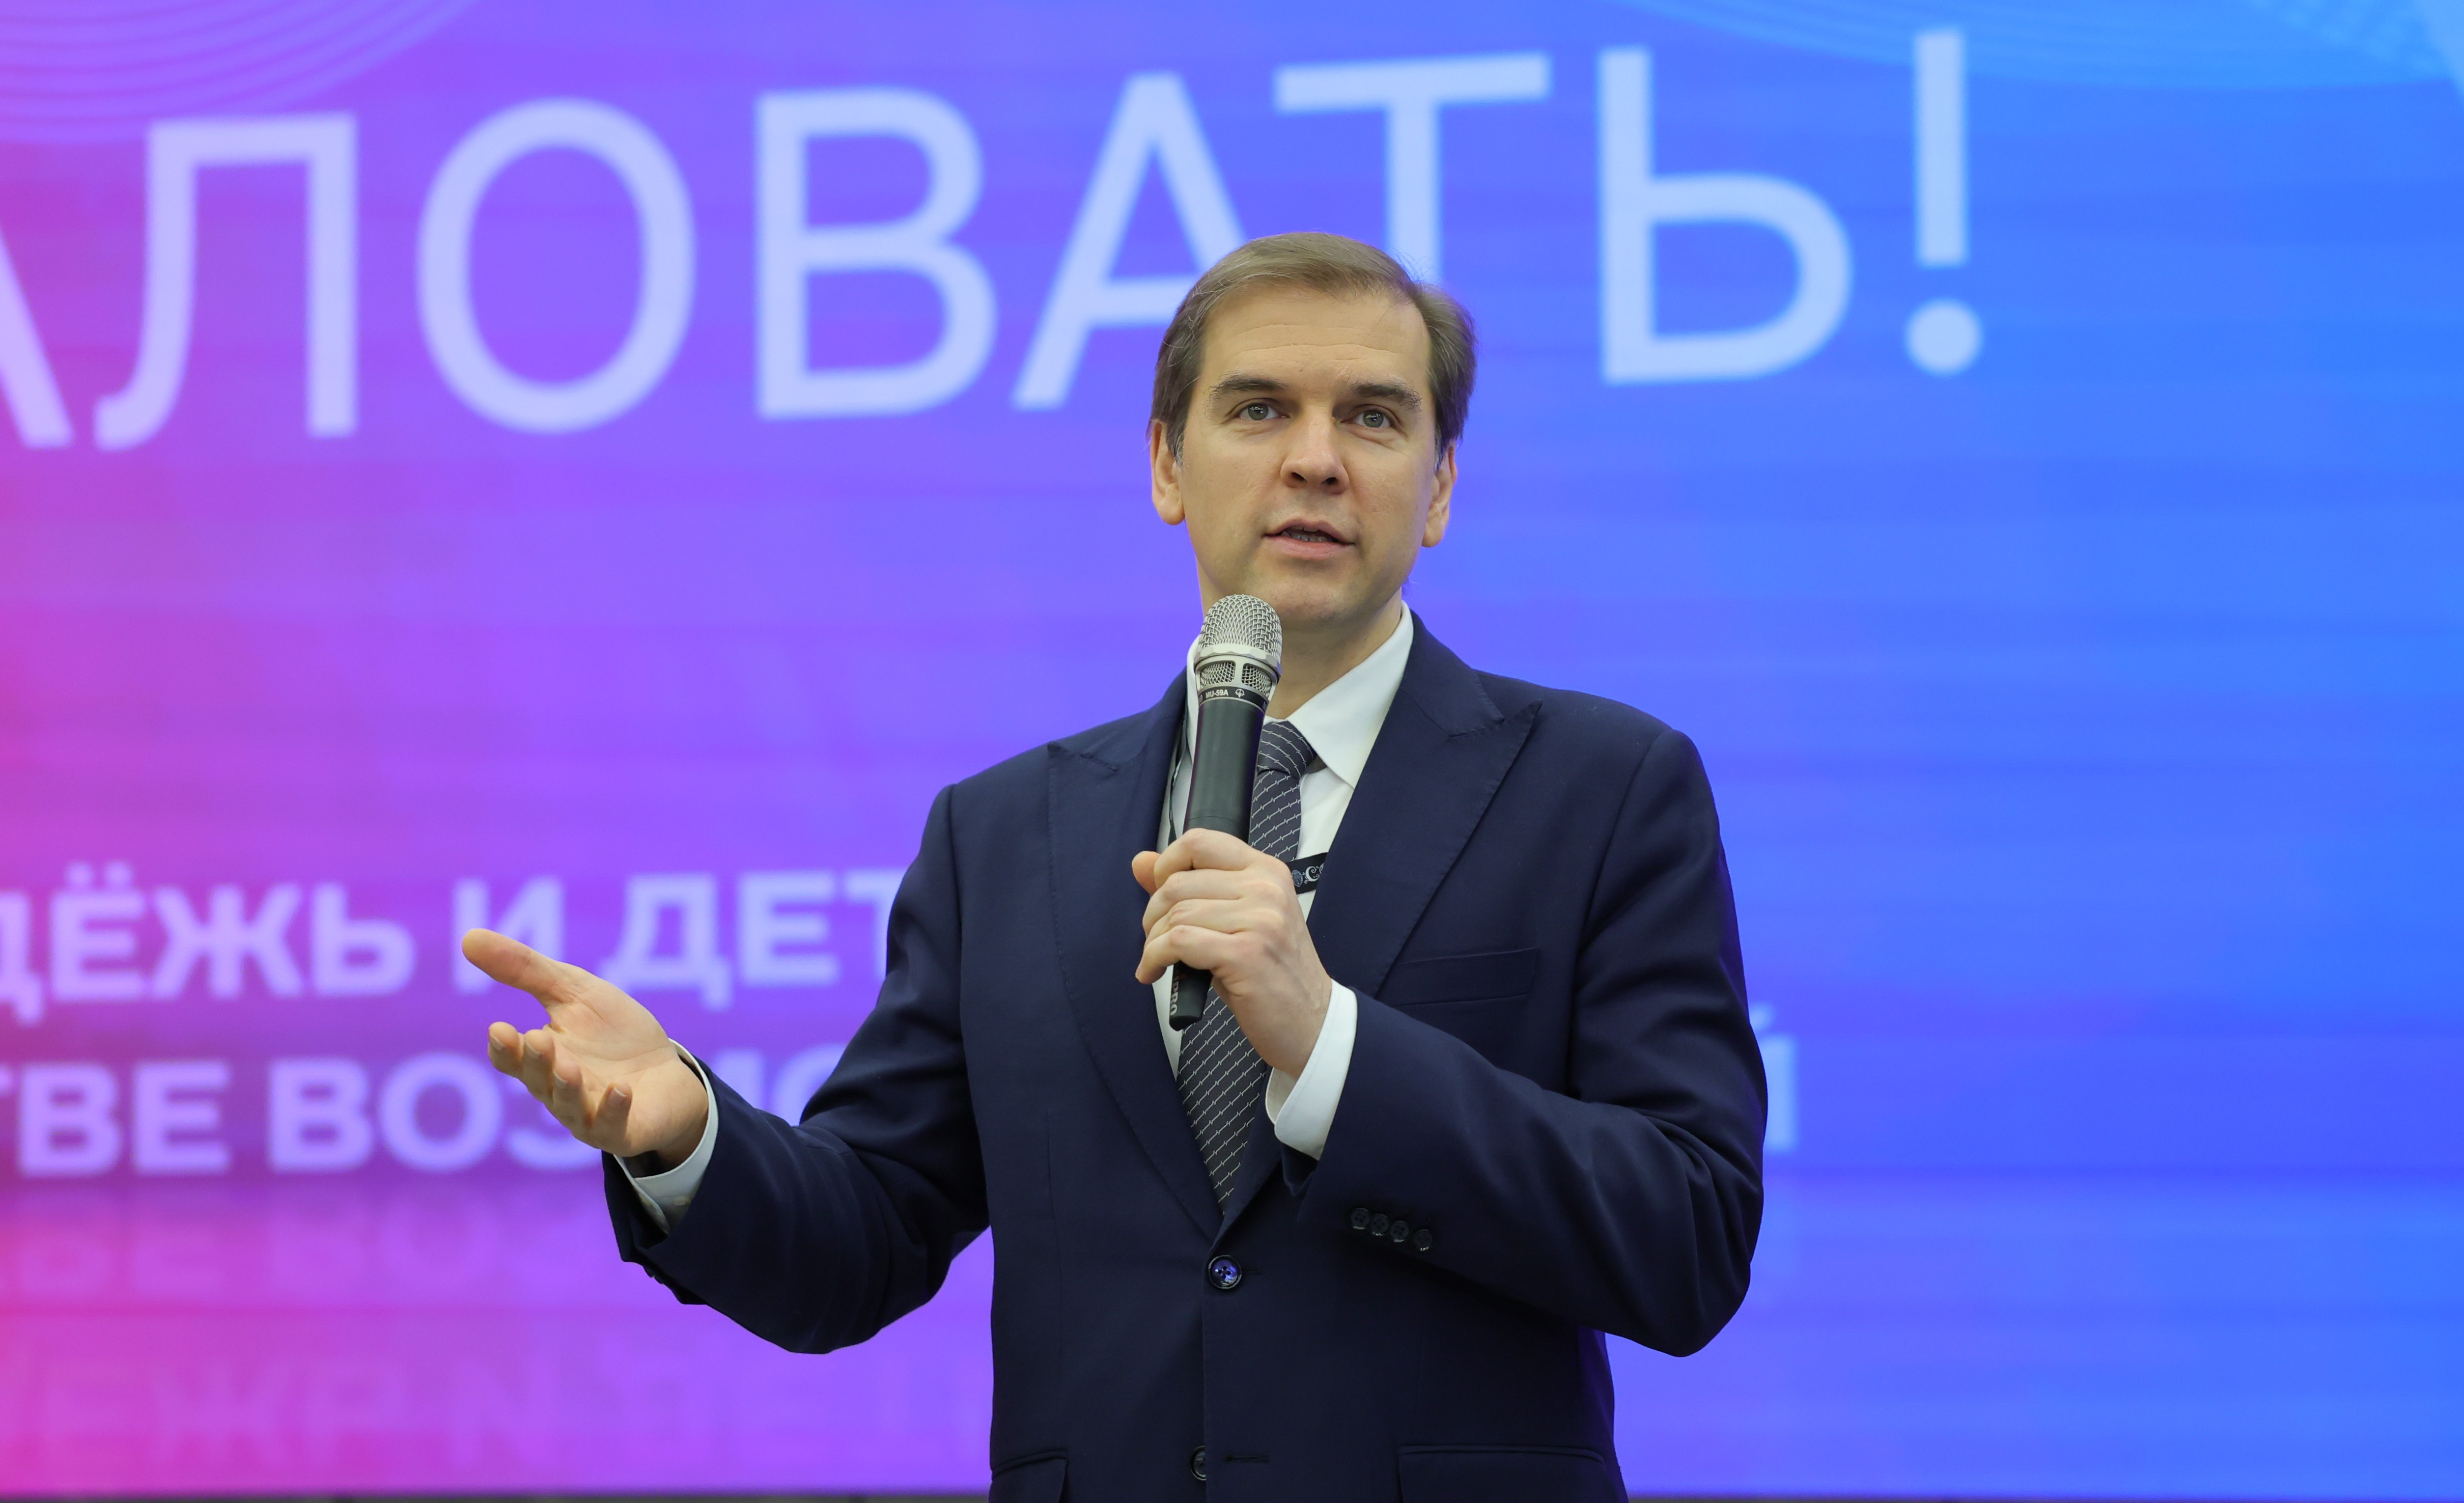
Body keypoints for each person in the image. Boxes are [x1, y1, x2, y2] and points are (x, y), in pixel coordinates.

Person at [465, 231, 1765, 1503]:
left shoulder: (1603, 788)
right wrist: (690, 1133)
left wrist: (1331, 1050)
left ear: (1436, 490)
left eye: (1373, 418)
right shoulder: (1002, 835)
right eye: (1258, 409)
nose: (1314, 459)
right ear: (1165, 465)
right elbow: (861, 1239)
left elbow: (1690, 1236)